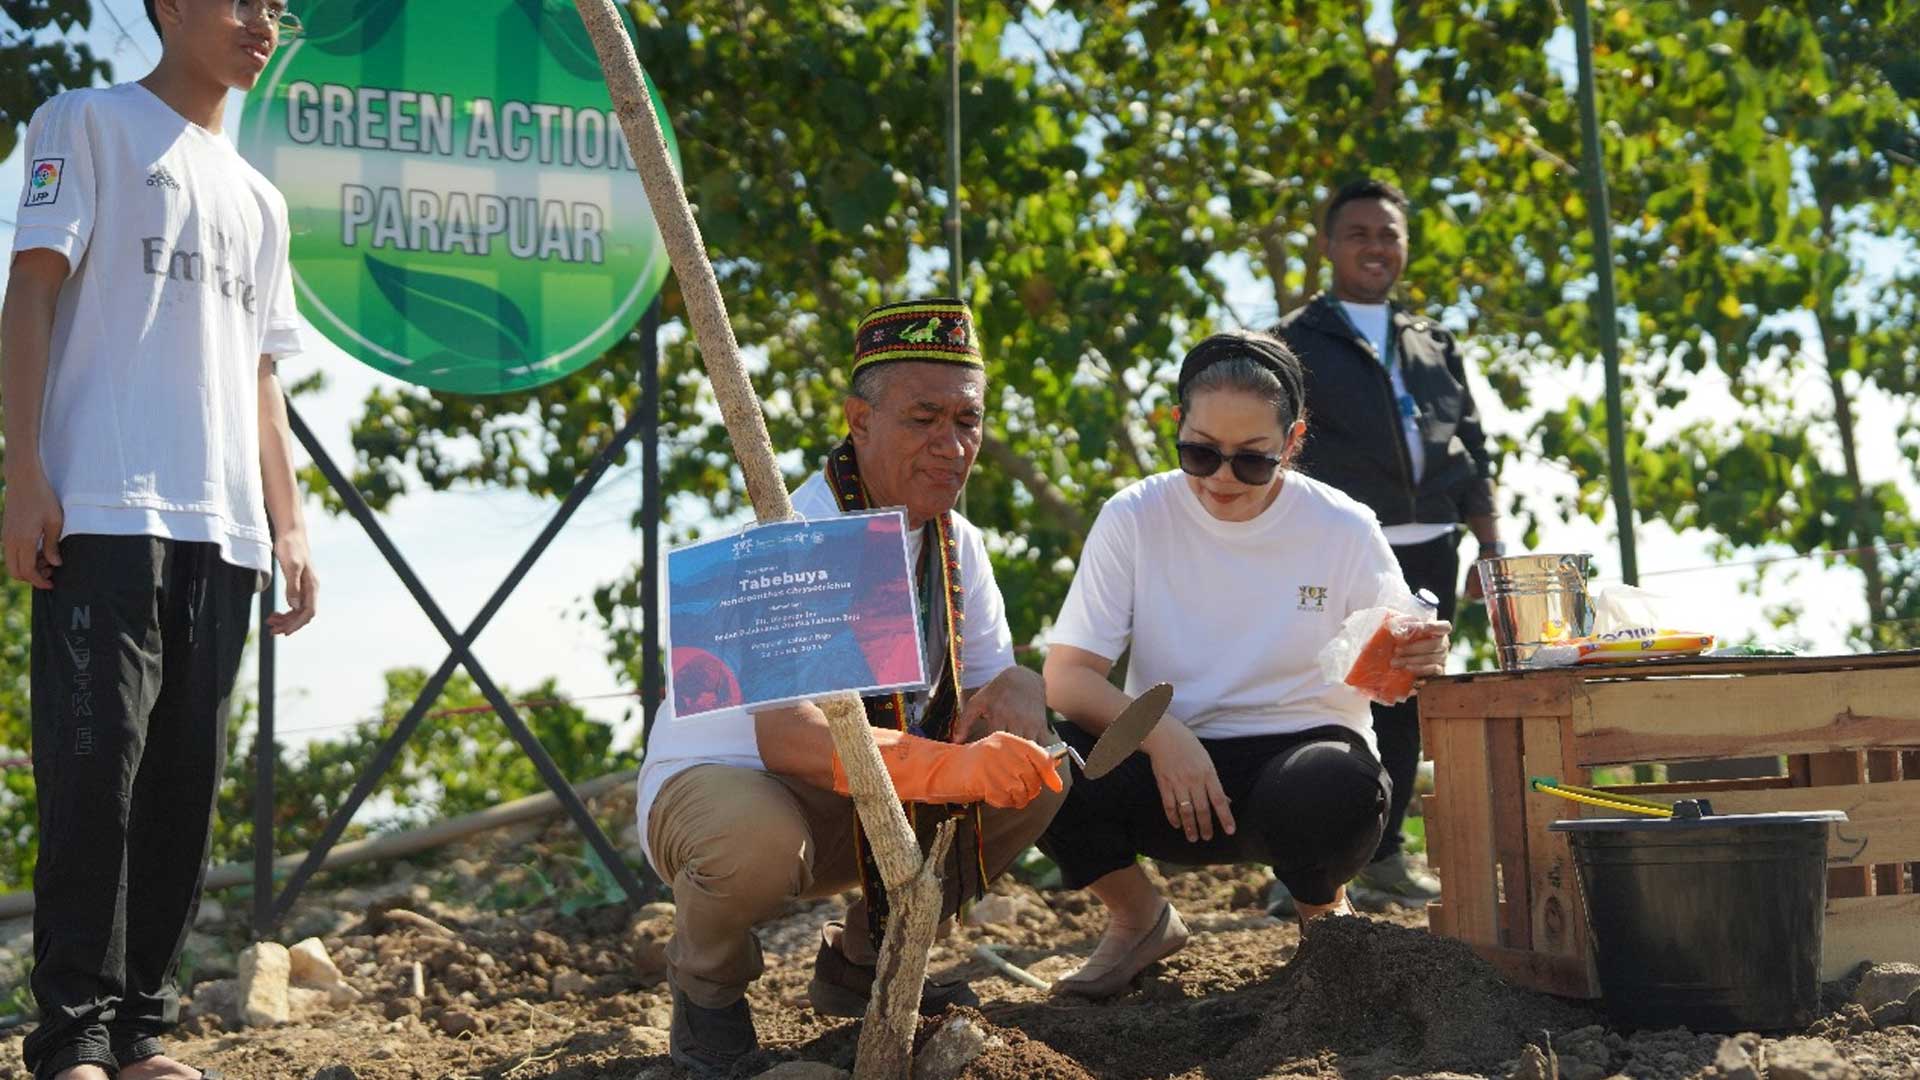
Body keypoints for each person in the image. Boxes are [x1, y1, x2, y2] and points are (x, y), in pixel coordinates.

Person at [0, 2, 317, 1077]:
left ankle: (142, 1034)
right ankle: (70, 1038)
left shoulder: (264, 199)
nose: (263, 21)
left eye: (278, 6)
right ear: (170, 6)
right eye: (241, 0)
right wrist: (24, 470)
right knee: (95, 768)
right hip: (101, 503)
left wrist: (290, 519)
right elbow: (30, 291)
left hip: (223, 528)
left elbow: (264, 372)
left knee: (186, 778)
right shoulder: (81, 121)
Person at [636, 298, 1068, 1075]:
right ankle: (706, 993)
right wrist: (946, 768)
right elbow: (790, 736)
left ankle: (869, 957)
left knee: (1037, 773)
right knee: (755, 840)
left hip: (863, 803)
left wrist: (1024, 690)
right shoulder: (790, 532)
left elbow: (992, 677)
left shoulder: (957, 541)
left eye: (967, 422)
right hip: (731, 795)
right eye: (923, 418)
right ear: (858, 422)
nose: (951, 445)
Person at [1037, 331, 1450, 999]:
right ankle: (1139, 918)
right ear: (1176, 427)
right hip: (1166, 769)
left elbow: (1394, 668)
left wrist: (1418, 654)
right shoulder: (1136, 515)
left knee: (1334, 788)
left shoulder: (1342, 527)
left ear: (1292, 443)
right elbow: (1066, 678)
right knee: (1033, 760)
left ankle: (1326, 925)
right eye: (1200, 453)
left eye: (1252, 461)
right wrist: (1165, 736)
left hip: (1299, 758)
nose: (1222, 479)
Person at [1273, 178, 1501, 911]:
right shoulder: (1293, 341)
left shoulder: (1432, 341)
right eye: (1359, 233)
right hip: (1336, 548)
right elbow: (1276, 450)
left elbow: (1469, 447)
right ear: (1328, 246)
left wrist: (1488, 545)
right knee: (1321, 691)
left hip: (1431, 545)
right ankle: (1303, 870)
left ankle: (1386, 857)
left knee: (1403, 700)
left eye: (1388, 234)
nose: (1375, 247)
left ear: (1405, 246)